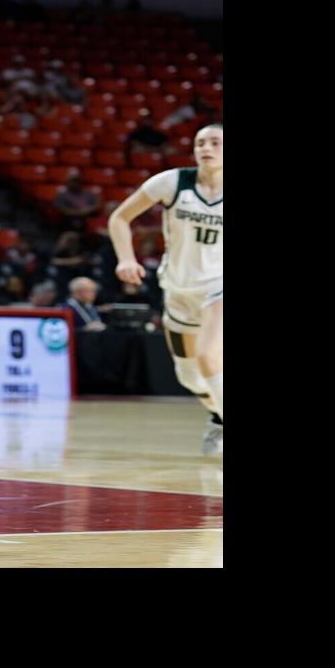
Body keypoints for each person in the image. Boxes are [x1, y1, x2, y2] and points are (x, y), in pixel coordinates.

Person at [108, 124, 222, 454]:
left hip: (219, 283)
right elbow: (119, 217)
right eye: (201, 142)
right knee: (189, 375)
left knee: (209, 356)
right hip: (179, 287)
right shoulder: (173, 182)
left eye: (215, 142)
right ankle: (218, 415)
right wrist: (125, 259)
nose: (206, 148)